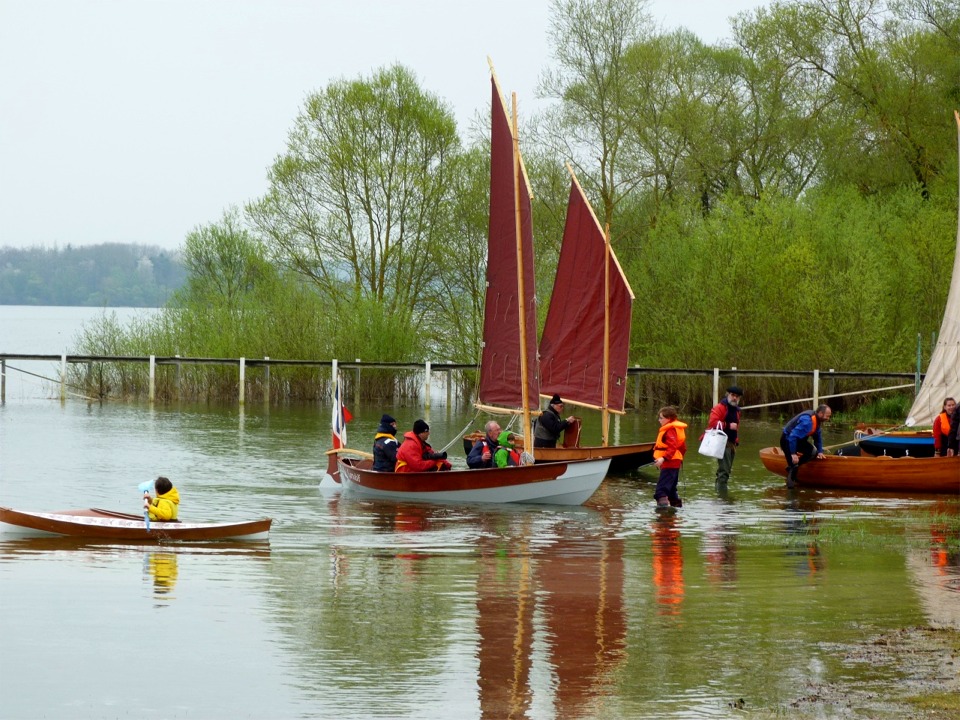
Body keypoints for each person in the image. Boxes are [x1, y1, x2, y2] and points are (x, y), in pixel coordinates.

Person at [780, 404, 832, 488]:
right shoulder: (807, 422)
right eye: (827, 416)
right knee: (794, 465)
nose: (828, 419)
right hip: (788, 441)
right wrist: (793, 454)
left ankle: (791, 468)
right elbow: (792, 436)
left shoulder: (817, 421)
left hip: (798, 441)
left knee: (813, 452)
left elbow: (817, 438)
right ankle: (790, 490)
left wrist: (820, 452)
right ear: (821, 413)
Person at [703, 386, 743, 491]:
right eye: (733, 395)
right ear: (728, 395)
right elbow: (712, 423)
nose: (735, 398)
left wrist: (736, 441)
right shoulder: (719, 407)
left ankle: (720, 495)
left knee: (727, 470)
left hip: (731, 443)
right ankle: (722, 497)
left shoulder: (737, 410)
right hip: (721, 442)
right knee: (724, 471)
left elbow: (736, 428)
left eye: (737, 396)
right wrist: (728, 425)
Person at [653, 406, 687, 508]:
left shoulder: (670, 430)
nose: (659, 420)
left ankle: (663, 517)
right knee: (671, 489)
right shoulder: (674, 429)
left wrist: (663, 458)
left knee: (661, 491)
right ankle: (675, 511)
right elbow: (683, 448)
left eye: (661, 418)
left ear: (668, 419)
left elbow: (672, 447)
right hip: (674, 461)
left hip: (670, 462)